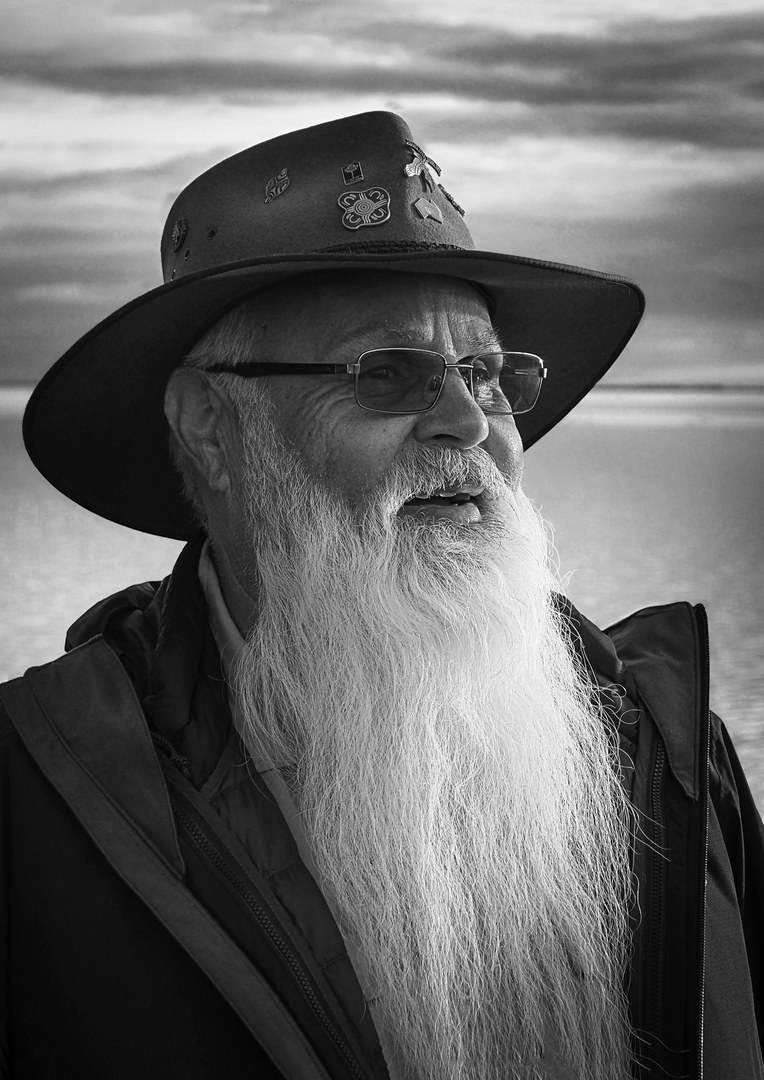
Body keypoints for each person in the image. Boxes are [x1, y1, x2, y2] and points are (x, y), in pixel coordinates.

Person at [0, 111, 762, 1080]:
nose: (465, 424)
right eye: (388, 374)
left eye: (485, 375)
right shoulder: (39, 801)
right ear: (211, 428)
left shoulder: (671, 755)